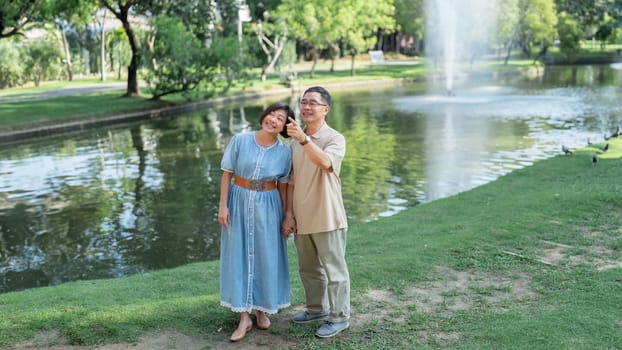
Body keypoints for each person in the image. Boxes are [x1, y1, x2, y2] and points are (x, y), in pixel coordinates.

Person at [218, 102, 294, 342]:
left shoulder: (284, 152)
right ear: (264, 116)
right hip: (238, 201)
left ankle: (262, 309)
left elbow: (284, 186)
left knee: (265, 255)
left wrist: (287, 215)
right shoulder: (240, 140)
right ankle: (244, 317)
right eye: (271, 113)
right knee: (239, 255)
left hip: (269, 206)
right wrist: (223, 206)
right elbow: (227, 173)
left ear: (284, 126)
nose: (273, 119)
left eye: (280, 118)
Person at [283, 86, 351, 338]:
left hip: (327, 215)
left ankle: (340, 316)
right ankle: (316, 309)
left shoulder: (334, 138)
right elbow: (290, 182)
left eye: (313, 103)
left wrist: (304, 139)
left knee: (334, 271)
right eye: (303, 103)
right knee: (308, 269)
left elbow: (325, 162)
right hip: (302, 217)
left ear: (326, 109)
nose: (306, 107)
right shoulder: (294, 143)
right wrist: (289, 214)